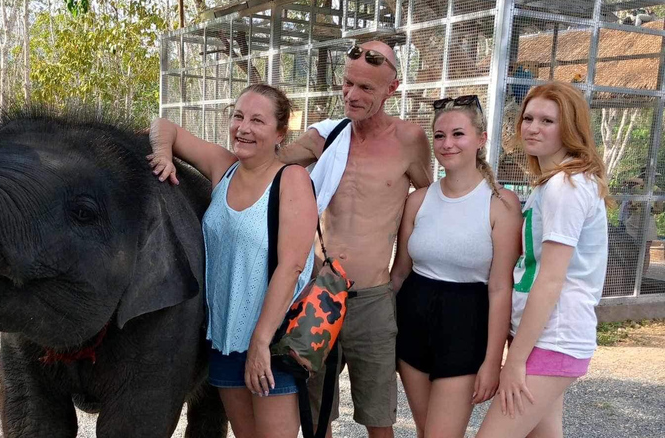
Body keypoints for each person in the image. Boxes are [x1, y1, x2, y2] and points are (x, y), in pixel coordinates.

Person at [278, 40, 432, 438]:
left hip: (373, 298)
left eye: (366, 88)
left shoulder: (410, 140)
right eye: (348, 84)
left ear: (391, 89)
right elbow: (268, 165)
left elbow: (427, 202)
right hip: (318, 293)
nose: (352, 95)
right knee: (314, 415)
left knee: (379, 416)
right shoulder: (325, 137)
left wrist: (401, 272)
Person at [148, 84, 318, 438]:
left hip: (272, 341)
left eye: (257, 120)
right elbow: (163, 125)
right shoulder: (223, 167)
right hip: (224, 340)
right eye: (238, 116)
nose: (243, 127)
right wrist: (163, 154)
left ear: (279, 133)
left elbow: (291, 267)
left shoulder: (292, 180)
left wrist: (260, 343)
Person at [477, 82, 610, 438]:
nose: (533, 127)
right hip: (543, 337)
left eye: (548, 121)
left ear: (570, 129)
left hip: (554, 338)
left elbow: (551, 279)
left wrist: (515, 362)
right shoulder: (551, 183)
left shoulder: (566, 186)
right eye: (529, 118)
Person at [390, 95, 523, 438]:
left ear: (481, 139)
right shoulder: (417, 200)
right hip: (413, 322)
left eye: (458, 134)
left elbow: (499, 287)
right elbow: (400, 273)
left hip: (467, 325)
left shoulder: (501, 204)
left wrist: (493, 361)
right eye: (439, 136)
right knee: (426, 431)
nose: (447, 144)